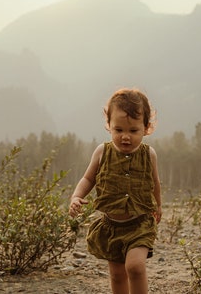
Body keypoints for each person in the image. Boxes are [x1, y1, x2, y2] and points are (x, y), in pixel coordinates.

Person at [69, 88, 162, 294]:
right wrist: (76, 196)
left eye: (133, 131)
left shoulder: (149, 155)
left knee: (135, 267)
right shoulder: (102, 152)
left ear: (146, 128)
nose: (125, 137)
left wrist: (159, 205)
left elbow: (154, 182)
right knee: (117, 275)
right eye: (119, 130)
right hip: (111, 227)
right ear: (109, 126)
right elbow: (88, 178)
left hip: (139, 225)